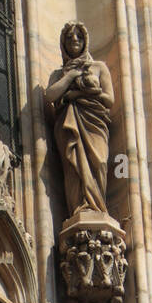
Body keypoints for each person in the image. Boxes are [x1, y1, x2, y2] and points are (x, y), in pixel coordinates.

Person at [45, 21, 114, 221]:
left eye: (79, 36)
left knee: (99, 162)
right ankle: (80, 207)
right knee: (73, 165)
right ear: (63, 43)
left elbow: (110, 99)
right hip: (69, 122)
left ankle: (97, 206)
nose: (74, 39)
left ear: (85, 41)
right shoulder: (59, 74)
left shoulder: (99, 67)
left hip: (94, 122)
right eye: (69, 37)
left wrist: (79, 93)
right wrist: (73, 75)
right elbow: (50, 96)